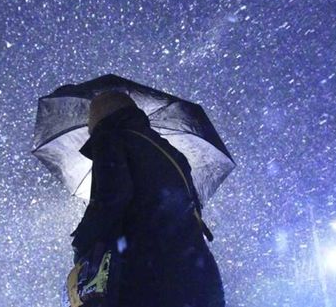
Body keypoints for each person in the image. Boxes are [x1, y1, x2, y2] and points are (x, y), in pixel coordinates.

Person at [69, 90, 225, 307]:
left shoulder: (110, 136)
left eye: (90, 118)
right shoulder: (170, 152)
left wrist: (82, 241)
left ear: (102, 114)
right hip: (197, 278)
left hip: (148, 277)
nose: (88, 128)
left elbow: (111, 199)